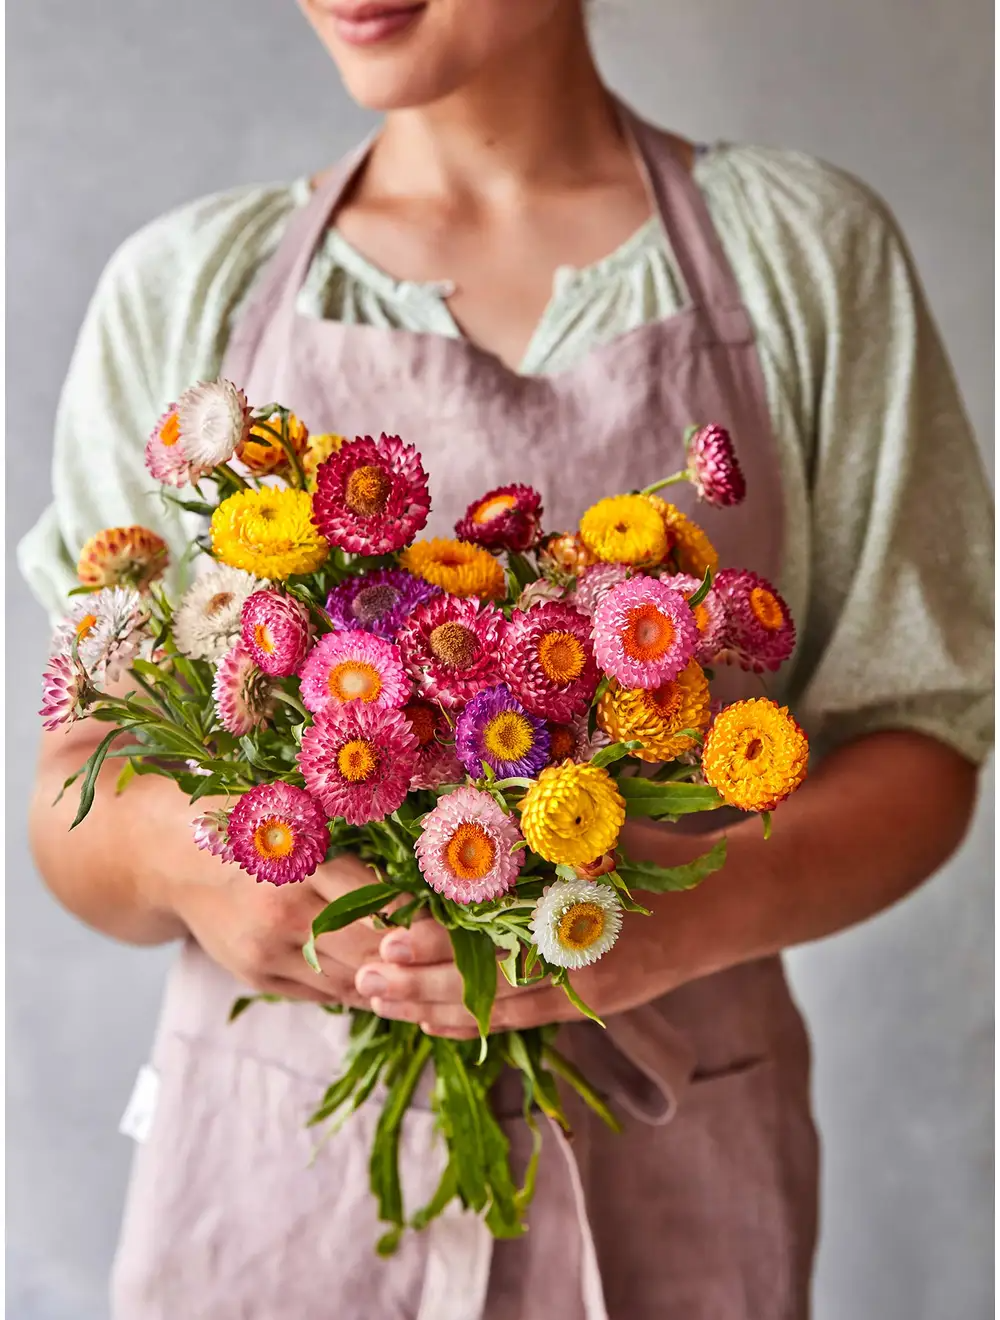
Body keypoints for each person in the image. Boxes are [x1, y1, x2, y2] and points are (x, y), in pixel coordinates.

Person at [19, 1, 993, 1317]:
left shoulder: (803, 255)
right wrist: (191, 862)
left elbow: (920, 737)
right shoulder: (192, 286)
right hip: (276, 1198)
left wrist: (670, 913)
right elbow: (79, 781)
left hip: (674, 1169)